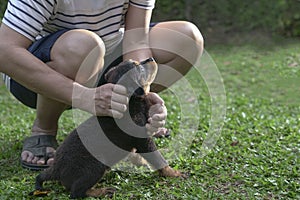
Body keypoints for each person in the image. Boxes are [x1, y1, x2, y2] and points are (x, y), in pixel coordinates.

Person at [0, 0, 203, 170]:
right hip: (38, 75)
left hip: (107, 52)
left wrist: (141, 95)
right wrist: (84, 97)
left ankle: (125, 116)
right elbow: (4, 50)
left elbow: (136, 42)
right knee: (83, 45)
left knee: (186, 37)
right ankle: (43, 129)